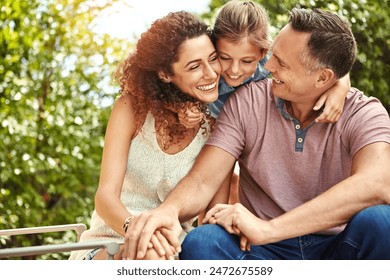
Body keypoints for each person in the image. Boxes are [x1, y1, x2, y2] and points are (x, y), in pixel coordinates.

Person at [122, 8, 390, 260]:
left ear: (322, 78)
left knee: (380, 221)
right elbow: (203, 180)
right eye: (271, 55)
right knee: (204, 240)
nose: (268, 66)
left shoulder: (364, 113)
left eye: (281, 63)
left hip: (336, 244)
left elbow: (377, 184)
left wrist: (270, 228)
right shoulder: (246, 101)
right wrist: (169, 210)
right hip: (257, 247)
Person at [68, 11, 226, 260]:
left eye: (213, 59)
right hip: (112, 240)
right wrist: (138, 230)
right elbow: (105, 197)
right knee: (149, 253)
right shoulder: (131, 109)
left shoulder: (217, 128)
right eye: (195, 66)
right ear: (165, 74)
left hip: (172, 250)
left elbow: (210, 219)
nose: (211, 73)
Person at [179, 0, 351, 204]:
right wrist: (185, 110)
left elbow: (326, 65)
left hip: (242, 130)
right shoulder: (206, 72)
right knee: (211, 183)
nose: (234, 70)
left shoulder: (269, 64)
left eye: (246, 61)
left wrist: (341, 86)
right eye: (224, 57)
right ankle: (207, 229)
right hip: (211, 134)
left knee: (231, 183)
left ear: (263, 53)